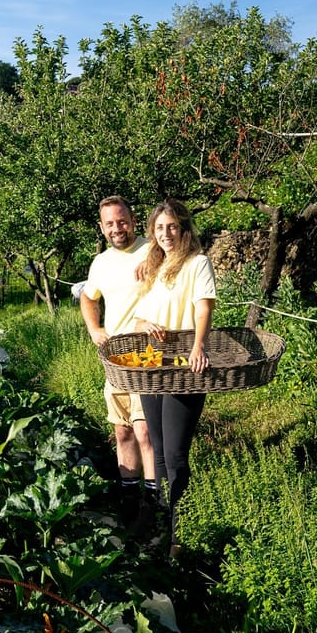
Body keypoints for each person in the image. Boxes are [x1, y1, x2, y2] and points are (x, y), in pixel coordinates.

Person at [133, 198, 216, 559]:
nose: (166, 234)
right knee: (159, 452)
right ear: (153, 231)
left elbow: (203, 307)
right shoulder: (153, 266)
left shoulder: (197, 263)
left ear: (183, 229)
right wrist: (143, 324)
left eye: (172, 227)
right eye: (159, 227)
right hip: (153, 368)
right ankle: (165, 526)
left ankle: (180, 534)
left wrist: (198, 346)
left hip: (183, 367)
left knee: (175, 453)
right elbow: (140, 318)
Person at [80, 195, 156, 532]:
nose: (117, 228)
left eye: (122, 221)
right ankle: (128, 498)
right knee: (123, 430)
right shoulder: (100, 263)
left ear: (134, 220)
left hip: (151, 355)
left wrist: (156, 257)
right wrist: (94, 328)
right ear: (102, 227)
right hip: (116, 360)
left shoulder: (153, 248)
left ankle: (152, 505)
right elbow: (87, 296)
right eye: (110, 223)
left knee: (144, 430)